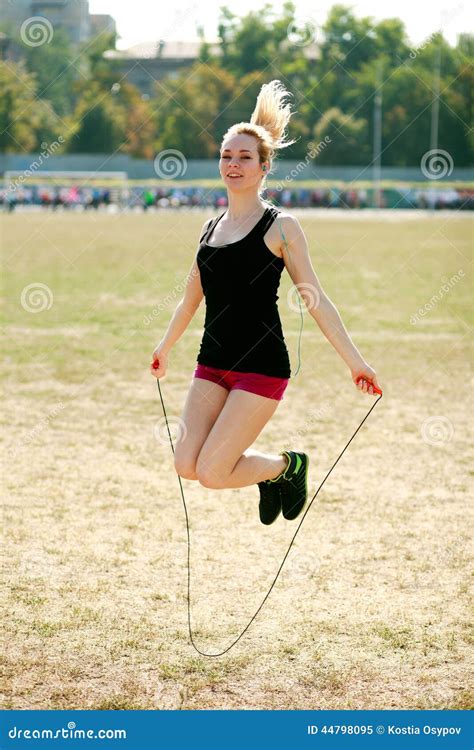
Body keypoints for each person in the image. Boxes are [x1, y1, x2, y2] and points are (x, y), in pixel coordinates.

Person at [150, 80, 382, 527]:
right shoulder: (209, 228)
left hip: (261, 365)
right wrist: (164, 347)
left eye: (244, 157)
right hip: (212, 361)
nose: (233, 164)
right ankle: (275, 472)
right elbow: (189, 300)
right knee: (185, 466)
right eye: (226, 155)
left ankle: (285, 467)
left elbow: (316, 299)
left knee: (214, 473)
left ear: (263, 167)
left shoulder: (282, 227)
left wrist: (356, 362)